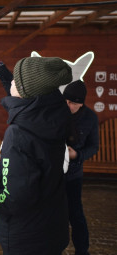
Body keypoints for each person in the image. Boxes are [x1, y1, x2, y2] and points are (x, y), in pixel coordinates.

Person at [0, 57, 73, 255]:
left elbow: (13, 199)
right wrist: (5, 77)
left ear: (27, 91)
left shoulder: (18, 135)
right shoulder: (55, 114)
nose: (13, 81)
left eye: (17, 79)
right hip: (52, 228)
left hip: (26, 238)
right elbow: (29, 104)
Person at [63, 80, 99, 255]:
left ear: (82, 103)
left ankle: (82, 251)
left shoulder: (90, 118)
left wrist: (77, 155)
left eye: (74, 103)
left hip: (73, 174)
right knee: (51, 214)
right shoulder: (56, 111)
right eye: (67, 102)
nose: (69, 106)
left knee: (76, 214)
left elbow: (93, 147)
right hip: (51, 173)